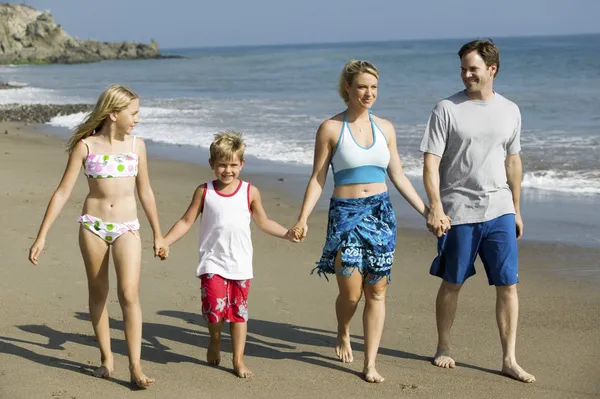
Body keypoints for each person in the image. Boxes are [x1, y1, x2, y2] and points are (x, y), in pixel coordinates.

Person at [290, 60, 432, 383]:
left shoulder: (386, 128)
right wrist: (303, 218)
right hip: (345, 214)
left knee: (377, 291)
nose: (369, 93)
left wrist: (427, 210)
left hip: (381, 214)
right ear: (348, 89)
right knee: (352, 293)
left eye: (374, 87)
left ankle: (370, 363)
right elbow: (317, 179)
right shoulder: (330, 128)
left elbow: (397, 175)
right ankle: (343, 329)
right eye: (362, 87)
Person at [28, 85, 163, 388]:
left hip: (127, 226)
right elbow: (63, 192)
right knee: (98, 291)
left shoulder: (136, 146)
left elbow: (146, 192)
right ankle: (106, 358)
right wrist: (42, 236)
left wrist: (158, 234)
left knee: (129, 293)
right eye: (134, 113)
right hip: (93, 226)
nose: (137, 119)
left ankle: (136, 366)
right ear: (114, 113)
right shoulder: (85, 147)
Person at [420, 39, 535, 383]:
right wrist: (436, 207)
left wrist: (516, 208)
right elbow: (430, 162)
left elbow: (513, 160)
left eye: (473, 68)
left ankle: (509, 359)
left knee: (508, 285)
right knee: (452, 283)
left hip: (499, 209)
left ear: (492, 69)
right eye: (463, 69)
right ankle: (443, 346)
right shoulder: (446, 109)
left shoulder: (510, 110)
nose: (467, 74)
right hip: (459, 211)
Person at [157, 131, 292, 378]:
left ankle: (238, 360)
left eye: (233, 165)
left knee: (239, 314)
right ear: (212, 165)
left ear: (242, 164)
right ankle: (215, 340)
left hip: (240, 263)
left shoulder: (250, 191)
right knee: (213, 310)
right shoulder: (204, 191)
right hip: (212, 261)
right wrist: (165, 241)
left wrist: (287, 233)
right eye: (222, 165)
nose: (227, 170)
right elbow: (186, 221)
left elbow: (263, 222)